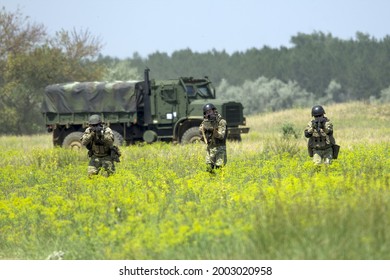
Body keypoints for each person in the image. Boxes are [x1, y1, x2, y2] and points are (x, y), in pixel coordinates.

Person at [199, 103, 227, 172]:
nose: (209, 114)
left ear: (214, 111)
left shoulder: (221, 121)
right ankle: (211, 181)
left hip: (219, 149)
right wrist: (204, 129)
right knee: (209, 168)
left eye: (210, 111)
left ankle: (221, 183)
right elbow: (200, 130)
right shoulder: (205, 122)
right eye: (207, 113)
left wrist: (213, 130)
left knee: (219, 168)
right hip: (210, 148)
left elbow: (221, 135)